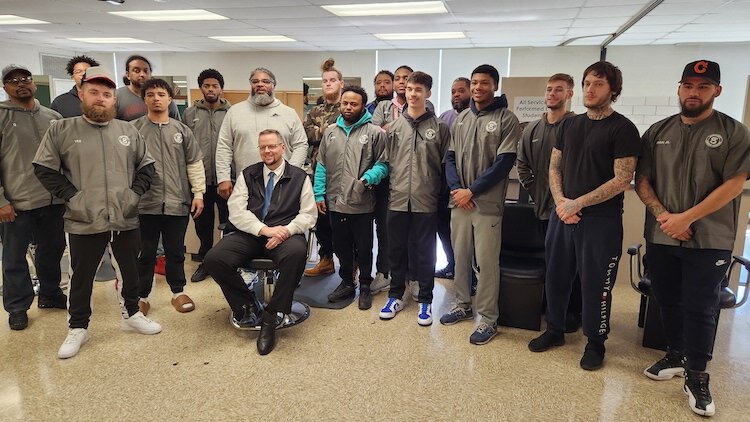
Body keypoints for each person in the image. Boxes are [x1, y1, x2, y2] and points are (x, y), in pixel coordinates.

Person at [635, 60, 750, 417]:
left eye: (702, 86)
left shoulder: (734, 132)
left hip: (710, 237)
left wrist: (687, 218)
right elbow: (643, 180)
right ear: (679, 89)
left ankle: (697, 376)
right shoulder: (657, 131)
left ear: (717, 90)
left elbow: (734, 184)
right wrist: (664, 218)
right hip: (663, 234)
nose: (694, 92)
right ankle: (675, 355)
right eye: (688, 85)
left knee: (702, 306)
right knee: (667, 299)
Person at [33, 66, 162, 359]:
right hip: (84, 219)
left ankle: (132, 314)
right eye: (94, 93)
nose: (101, 99)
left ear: (113, 100)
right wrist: (72, 197)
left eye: (106, 94)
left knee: (131, 270)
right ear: (82, 94)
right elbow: (44, 168)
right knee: (82, 276)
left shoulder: (128, 131)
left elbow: (147, 167)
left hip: (124, 216)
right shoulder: (62, 130)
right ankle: (78, 326)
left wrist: (133, 196)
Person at [527, 61, 641, 371]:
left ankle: (595, 342)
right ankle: (555, 330)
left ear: (613, 90)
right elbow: (554, 167)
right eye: (588, 83)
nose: (591, 89)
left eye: (599, 84)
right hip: (562, 216)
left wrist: (578, 204)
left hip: (600, 223)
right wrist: (562, 202)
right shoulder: (570, 125)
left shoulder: (623, 128)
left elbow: (622, 180)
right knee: (556, 276)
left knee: (596, 285)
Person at [204, 129, 316, 355]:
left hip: (285, 233)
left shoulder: (299, 177)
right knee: (214, 259)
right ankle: (247, 305)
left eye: (272, 146)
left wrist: (284, 232)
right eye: (263, 147)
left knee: (295, 254)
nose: (267, 151)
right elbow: (235, 211)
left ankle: (271, 316)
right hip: (251, 232)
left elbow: (308, 214)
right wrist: (263, 230)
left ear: (282, 147)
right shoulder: (248, 174)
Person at [439, 64, 521, 345]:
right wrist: (456, 190)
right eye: (474, 83)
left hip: (486, 205)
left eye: (484, 83)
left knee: (486, 264)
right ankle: (462, 304)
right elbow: (449, 158)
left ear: (494, 86)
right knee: (459, 257)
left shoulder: (506, 119)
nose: (477, 88)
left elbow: (503, 163)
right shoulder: (461, 119)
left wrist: (471, 191)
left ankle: (487, 318)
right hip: (459, 203)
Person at [377, 71, 450, 326]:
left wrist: (436, 193)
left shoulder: (440, 128)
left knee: (426, 251)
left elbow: (444, 164)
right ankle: (395, 294)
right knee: (396, 250)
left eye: (419, 89)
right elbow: (387, 162)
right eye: (409, 89)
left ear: (428, 93)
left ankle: (426, 299)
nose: (413, 93)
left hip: (425, 201)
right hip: (397, 199)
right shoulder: (395, 128)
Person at [1, 64, 66, 330]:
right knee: (15, 258)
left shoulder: (52, 116)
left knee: (52, 251)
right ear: (5, 87)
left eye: (25, 78)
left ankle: (50, 293)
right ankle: (17, 306)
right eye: (13, 81)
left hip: (52, 201)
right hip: (17, 202)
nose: (21, 84)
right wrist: (1, 200)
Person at [132, 78, 205, 315]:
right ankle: (141, 296)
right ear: (144, 99)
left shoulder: (181, 130)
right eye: (151, 94)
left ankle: (177, 292)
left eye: (161, 94)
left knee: (175, 251)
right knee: (145, 253)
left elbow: (194, 163)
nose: (156, 98)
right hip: (144, 203)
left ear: (169, 99)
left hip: (177, 202)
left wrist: (198, 194)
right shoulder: (133, 129)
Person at [516, 73, 582, 333]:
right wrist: (538, 191)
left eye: (559, 90)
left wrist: (568, 201)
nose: (552, 94)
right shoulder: (532, 128)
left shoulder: (578, 125)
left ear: (569, 94)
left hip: (572, 212)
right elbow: (522, 166)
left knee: (572, 268)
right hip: (542, 208)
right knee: (549, 262)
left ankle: (572, 312)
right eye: (549, 90)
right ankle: (549, 307)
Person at [315, 86, 388, 309]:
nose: (348, 107)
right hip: (335, 202)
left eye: (353, 103)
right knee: (341, 246)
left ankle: (365, 284)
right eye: (345, 103)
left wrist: (366, 179)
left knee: (364, 247)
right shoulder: (329, 133)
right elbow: (321, 165)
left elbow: (384, 164)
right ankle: (347, 282)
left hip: (361, 202)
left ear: (362, 106)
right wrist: (319, 193)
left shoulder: (374, 133)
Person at [215, 67, 308, 202]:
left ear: (273, 85)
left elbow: (301, 145)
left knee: (280, 221)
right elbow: (224, 147)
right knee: (245, 221)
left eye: (265, 81)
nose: (260, 84)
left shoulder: (289, 113)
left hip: (282, 184)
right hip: (245, 184)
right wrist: (223, 178)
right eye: (255, 81)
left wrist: (291, 172)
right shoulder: (234, 112)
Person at [182, 68, 231, 282]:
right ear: (201, 88)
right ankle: (206, 261)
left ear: (221, 88)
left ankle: (228, 261)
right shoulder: (190, 114)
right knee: (203, 224)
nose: (211, 89)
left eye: (215, 85)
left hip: (226, 179)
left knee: (230, 222)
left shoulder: (232, 113)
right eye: (206, 85)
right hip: (200, 181)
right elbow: (184, 147)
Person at [302, 58, 343, 280]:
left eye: (333, 80)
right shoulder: (314, 111)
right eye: (325, 81)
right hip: (318, 174)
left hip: (343, 174)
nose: (328, 84)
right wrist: (328, 130)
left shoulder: (349, 107)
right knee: (322, 221)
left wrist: (322, 131)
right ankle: (326, 260)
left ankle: (350, 266)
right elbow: (308, 135)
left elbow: (339, 138)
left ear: (341, 83)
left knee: (344, 225)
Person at [435, 77, 471, 279]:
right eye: (453, 91)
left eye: (461, 91)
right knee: (443, 227)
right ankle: (451, 264)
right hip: (443, 183)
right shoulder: (445, 117)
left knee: (463, 233)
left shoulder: (475, 117)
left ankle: (468, 274)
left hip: (464, 183)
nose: (456, 95)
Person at [116, 54, 180, 121]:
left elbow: (176, 125)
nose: (142, 74)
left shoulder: (163, 97)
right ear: (128, 74)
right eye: (136, 71)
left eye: (146, 71)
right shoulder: (117, 97)